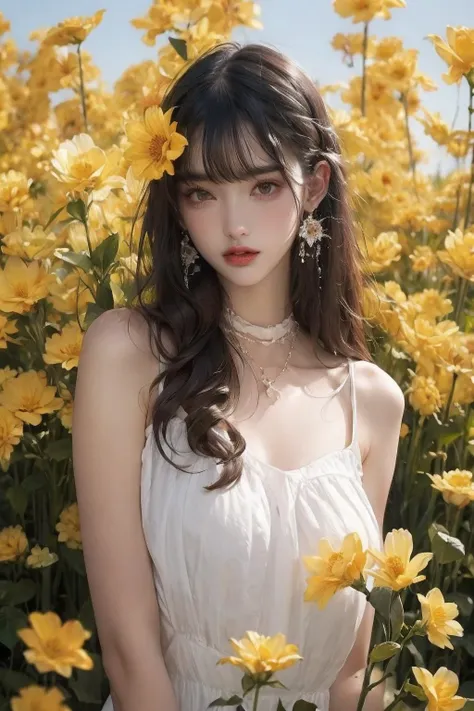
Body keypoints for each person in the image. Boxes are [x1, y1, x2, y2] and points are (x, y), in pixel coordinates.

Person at [72, 41, 405, 711]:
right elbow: (129, 648)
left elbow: (351, 672)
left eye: (262, 184)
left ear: (313, 186)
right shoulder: (127, 353)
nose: (234, 224)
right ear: (175, 197)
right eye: (201, 191)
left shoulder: (370, 402)